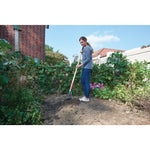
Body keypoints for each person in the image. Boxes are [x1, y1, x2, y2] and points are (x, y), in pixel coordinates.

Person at [76, 36, 94, 102]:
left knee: (86, 82)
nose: (81, 44)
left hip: (87, 67)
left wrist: (79, 65)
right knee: (83, 82)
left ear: (86, 41)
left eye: (82, 42)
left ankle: (87, 97)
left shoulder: (87, 48)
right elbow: (85, 56)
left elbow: (88, 59)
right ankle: (86, 96)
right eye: (80, 43)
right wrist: (82, 52)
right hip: (85, 67)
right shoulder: (85, 48)